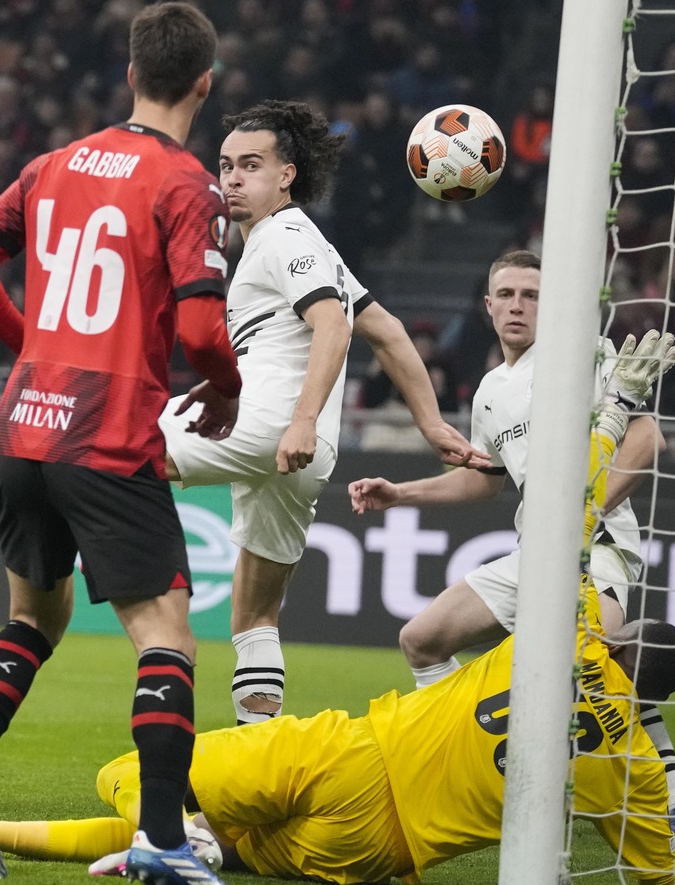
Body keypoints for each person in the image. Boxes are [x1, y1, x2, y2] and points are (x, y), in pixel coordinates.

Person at [0, 337, 675, 885]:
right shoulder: (628, 762)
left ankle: (117, 828)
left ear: (618, 637)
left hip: (350, 755)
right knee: (213, 834)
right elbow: (656, 874)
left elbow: (571, 511)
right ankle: (15, 831)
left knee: (127, 775)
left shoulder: (568, 633)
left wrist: (613, 410)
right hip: (373, 850)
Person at [0, 2, 245, 885]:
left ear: (132, 74)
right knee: (166, 634)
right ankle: (160, 838)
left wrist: (36, 345)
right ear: (205, 84)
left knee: (35, 619)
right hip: (105, 437)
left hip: (23, 426)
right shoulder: (188, 184)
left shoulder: (52, 164)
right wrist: (226, 389)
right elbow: (201, 329)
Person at [347, 250, 675, 842]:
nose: (519, 305)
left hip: (595, 547)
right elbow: (484, 477)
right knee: (421, 640)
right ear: (488, 306)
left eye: (533, 295)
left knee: (600, 661)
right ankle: (455, 756)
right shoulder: (493, 387)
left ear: (552, 305)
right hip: (534, 548)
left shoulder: (582, 355)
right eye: (508, 294)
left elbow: (647, 437)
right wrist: (402, 493)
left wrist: (585, 511)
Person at [157, 99, 488, 725]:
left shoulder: (285, 235)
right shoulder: (305, 244)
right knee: (254, 618)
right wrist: (432, 423)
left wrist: (302, 419)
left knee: (105, 449)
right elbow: (387, 331)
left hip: (268, 421)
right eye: (225, 165)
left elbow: (332, 326)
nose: (231, 178)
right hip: (298, 453)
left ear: (286, 175)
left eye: (250, 165)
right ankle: (261, 754)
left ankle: (137, 624)